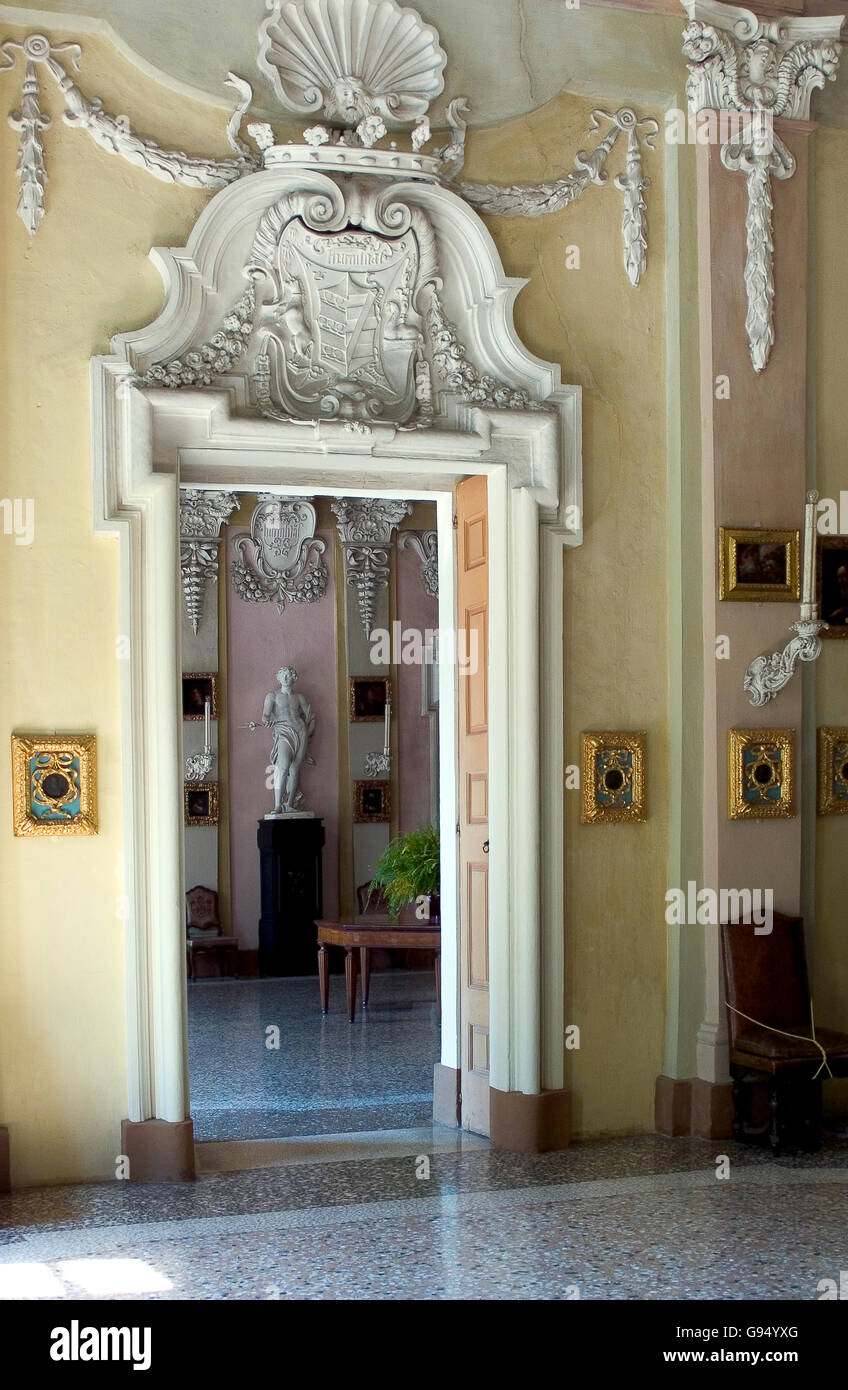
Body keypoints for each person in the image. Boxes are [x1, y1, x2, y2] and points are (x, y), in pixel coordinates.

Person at [258, 666, 316, 813]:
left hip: (300, 732)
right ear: (278, 677)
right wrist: (267, 721)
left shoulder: (299, 697)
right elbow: (265, 715)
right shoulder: (272, 696)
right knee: (282, 767)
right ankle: (278, 805)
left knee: (295, 768)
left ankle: (290, 804)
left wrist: (308, 732)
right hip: (284, 732)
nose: (285, 678)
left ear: (294, 678)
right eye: (283, 675)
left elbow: (310, 715)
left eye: (288, 675)